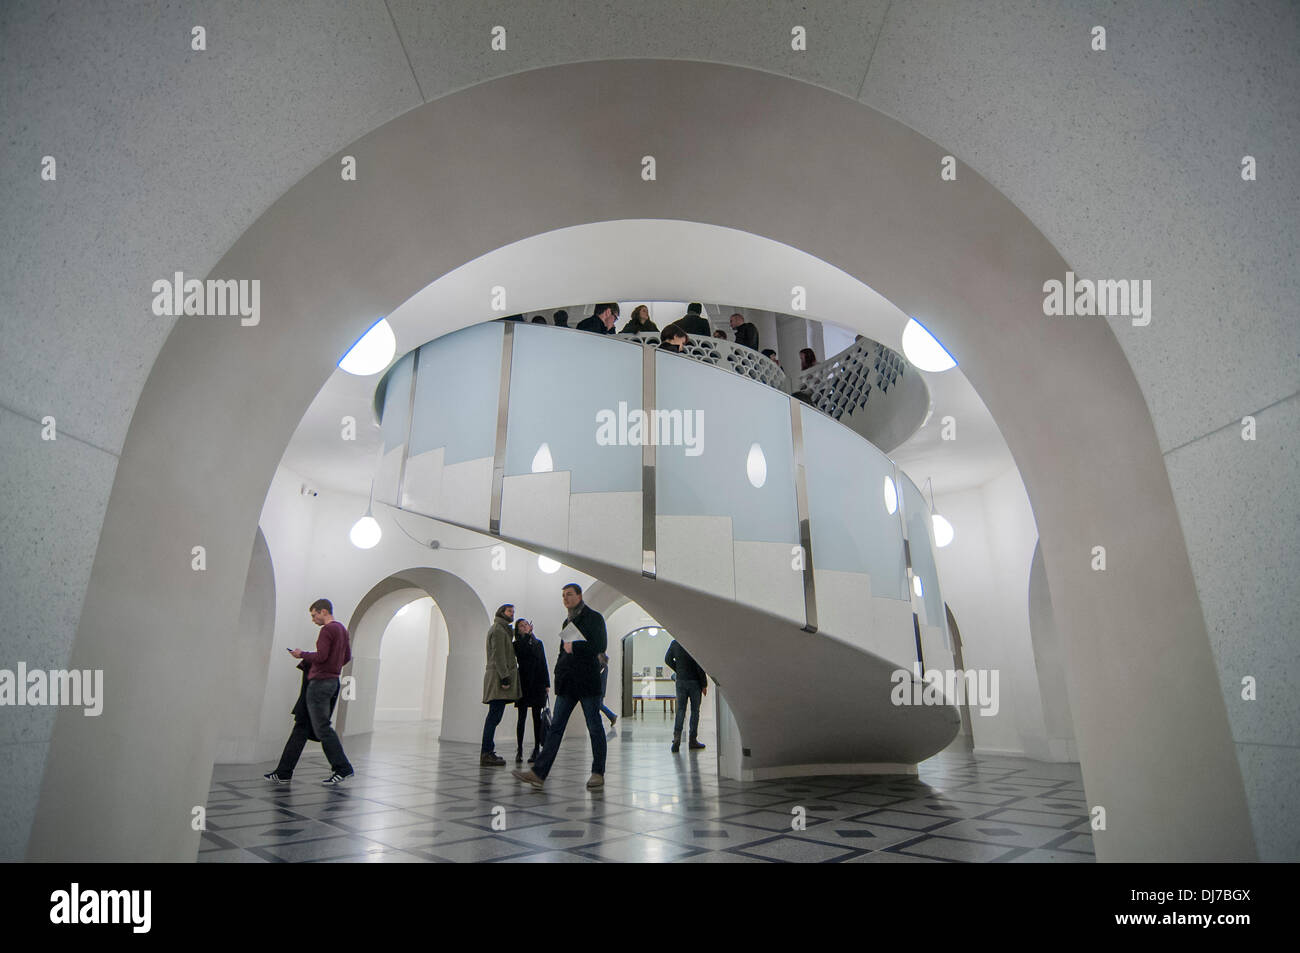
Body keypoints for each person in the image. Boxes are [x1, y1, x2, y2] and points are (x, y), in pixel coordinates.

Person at [512, 583, 608, 790]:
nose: (565, 598)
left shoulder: (594, 618)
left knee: (594, 726)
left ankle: (597, 772)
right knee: (555, 728)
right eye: (563, 595)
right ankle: (538, 773)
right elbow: (563, 651)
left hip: (587, 680)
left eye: (569, 594)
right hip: (567, 682)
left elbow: (600, 645)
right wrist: (557, 672)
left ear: (580, 596)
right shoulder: (568, 621)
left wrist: (576, 646)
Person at [265, 599, 355, 784]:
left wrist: (301, 654)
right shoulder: (342, 630)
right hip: (332, 682)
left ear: (323, 611)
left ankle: (342, 768)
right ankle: (283, 772)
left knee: (322, 727)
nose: (313, 619)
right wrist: (333, 667)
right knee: (302, 727)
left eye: (314, 615)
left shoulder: (328, 630)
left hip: (320, 684)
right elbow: (346, 657)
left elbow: (321, 656)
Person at [481, 603, 521, 765]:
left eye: (513, 611)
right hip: (498, 678)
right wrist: (505, 677)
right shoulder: (498, 630)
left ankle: (488, 751)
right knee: (494, 716)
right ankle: (486, 752)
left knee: (495, 716)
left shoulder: (503, 630)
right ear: (501, 612)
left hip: (499, 676)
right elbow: (498, 655)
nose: (512, 614)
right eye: (509, 611)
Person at [512, 618, 550, 763]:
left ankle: (536, 749)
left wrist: (547, 683)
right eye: (521, 626)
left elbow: (542, 662)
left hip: (538, 683)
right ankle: (519, 749)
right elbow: (522, 653)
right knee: (521, 717)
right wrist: (527, 636)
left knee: (536, 718)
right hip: (524, 683)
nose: (524, 627)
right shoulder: (516, 644)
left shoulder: (538, 643)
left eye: (526, 625)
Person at [664, 638, 707, 753]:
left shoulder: (675, 643)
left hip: (681, 681)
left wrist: (678, 669)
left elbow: (667, 659)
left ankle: (676, 738)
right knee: (695, 711)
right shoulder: (693, 642)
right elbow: (700, 664)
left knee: (681, 710)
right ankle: (692, 740)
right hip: (695, 682)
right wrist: (704, 684)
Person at [597, 652, 617, 727]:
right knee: (599, 705)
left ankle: (612, 716)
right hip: (601, 689)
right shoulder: (604, 666)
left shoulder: (602, 666)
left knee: (599, 705)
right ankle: (612, 717)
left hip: (599, 689)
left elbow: (598, 676)